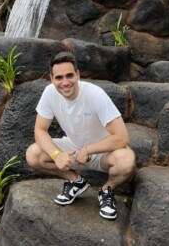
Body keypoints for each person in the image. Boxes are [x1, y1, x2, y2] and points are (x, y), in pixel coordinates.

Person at [26, 52, 136, 220]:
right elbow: (40, 130)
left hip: (104, 152)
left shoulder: (95, 95)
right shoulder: (49, 93)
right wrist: (57, 155)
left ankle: (106, 190)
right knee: (33, 154)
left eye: (69, 75)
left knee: (126, 161)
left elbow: (122, 137)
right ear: (52, 79)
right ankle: (75, 181)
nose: (65, 82)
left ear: (78, 75)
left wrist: (88, 149)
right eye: (59, 77)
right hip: (73, 149)